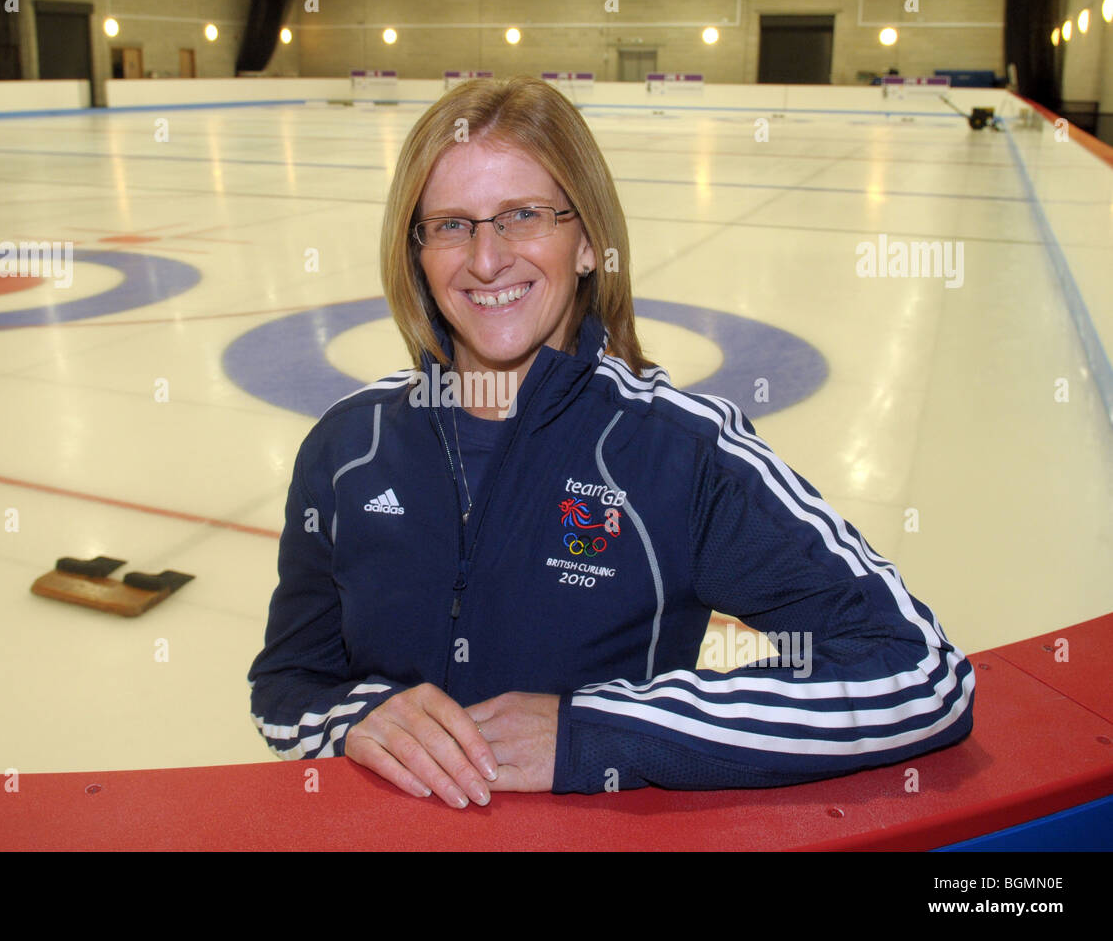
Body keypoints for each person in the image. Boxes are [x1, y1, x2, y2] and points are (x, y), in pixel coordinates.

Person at [248, 74, 974, 808]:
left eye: (523, 216)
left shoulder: (681, 455)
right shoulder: (347, 448)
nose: (487, 258)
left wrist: (598, 731)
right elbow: (287, 686)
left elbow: (917, 673)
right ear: (417, 252)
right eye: (451, 224)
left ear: (590, 241)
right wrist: (360, 718)